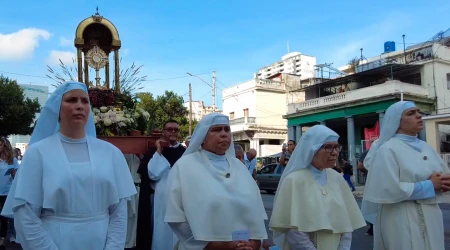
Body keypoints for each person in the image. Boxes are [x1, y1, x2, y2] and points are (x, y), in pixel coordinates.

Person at [1, 81, 136, 250]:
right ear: (57, 108)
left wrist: (113, 248)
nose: (79, 105)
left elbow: (119, 212)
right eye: (72, 100)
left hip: (102, 241)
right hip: (53, 241)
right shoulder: (38, 154)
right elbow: (26, 216)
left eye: (84, 101)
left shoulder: (111, 153)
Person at [165, 113, 268, 249]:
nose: (224, 134)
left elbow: (256, 211)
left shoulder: (239, 168)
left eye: (227, 129)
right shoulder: (184, 167)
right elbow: (177, 218)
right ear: (202, 136)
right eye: (216, 129)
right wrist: (212, 245)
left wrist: (256, 242)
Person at [362, 101, 450, 250]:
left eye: (418, 112)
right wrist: (430, 185)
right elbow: (387, 189)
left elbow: (442, 176)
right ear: (396, 120)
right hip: (400, 216)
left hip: (430, 214)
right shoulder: (387, 149)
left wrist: (444, 183)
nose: (419, 116)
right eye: (411, 113)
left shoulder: (425, 147)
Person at [269, 125, 366, 250]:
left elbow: (346, 226)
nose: (335, 152)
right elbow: (294, 230)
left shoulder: (337, 178)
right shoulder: (294, 180)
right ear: (312, 149)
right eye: (328, 147)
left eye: (336, 147)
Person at [136, 120, 185, 250]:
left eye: (176, 129)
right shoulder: (155, 151)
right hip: (161, 199)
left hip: (181, 199)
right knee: (161, 230)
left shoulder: (184, 152)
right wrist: (158, 151)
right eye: (170, 129)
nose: (173, 132)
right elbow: (152, 174)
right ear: (164, 132)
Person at [0, 138, 19, 248]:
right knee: (1, 216)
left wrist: (13, 173)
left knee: (9, 214)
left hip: (8, 191)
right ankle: (2, 237)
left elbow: (16, 178)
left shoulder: (13, 160)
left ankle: (11, 235)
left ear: (5, 146)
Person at [124, 154, 142, 249]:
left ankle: (131, 243)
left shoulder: (136, 155)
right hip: (125, 191)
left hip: (136, 190)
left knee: (133, 220)